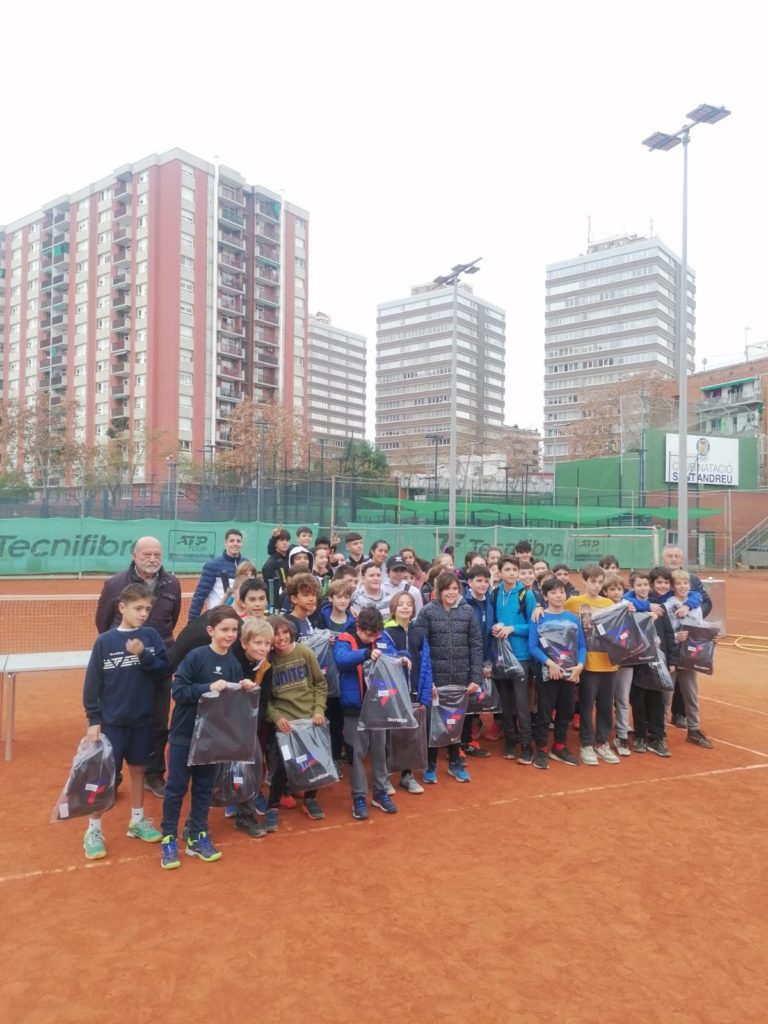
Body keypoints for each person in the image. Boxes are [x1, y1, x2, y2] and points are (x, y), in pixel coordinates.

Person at [159, 606, 258, 869]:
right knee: (177, 787)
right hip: (184, 733)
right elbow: (179, 692)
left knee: (203, 788)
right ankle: (169, 838)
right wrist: (207, 688)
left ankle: (197, 835)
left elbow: (233, 704)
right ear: (210, 630)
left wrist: (245, 688)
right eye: (224, 629)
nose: (229, 635)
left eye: (234, 630)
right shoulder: (195, 657)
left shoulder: (234, 664)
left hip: (212, 738)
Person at [81, 583, 169, 860]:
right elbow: (92, 683)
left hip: (141, 720)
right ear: (122, 608)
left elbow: (163, 671)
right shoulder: (105, 642)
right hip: (111, 723)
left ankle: (137, 820)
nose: (143, 613)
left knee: (139, 771)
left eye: (147, 609)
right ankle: (93, 829)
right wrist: (93, 719)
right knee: (104, 777)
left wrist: (142, 653)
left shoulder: (152, 637)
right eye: (138, 608)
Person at [95, 535, 181, 798]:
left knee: (157, 721)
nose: (153, 559)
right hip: (124, 664)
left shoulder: (171, 583)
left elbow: (173, 618)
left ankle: (154, 775)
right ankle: (113, 776)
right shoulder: (116, 584)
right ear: (134, 556)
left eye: (157, 554)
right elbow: (103, 621)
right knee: (116, 719)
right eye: (146, 555)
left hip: (159, 663)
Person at [416, 571, 484, 784]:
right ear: (438, 591)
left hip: (462, 681)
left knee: (457, 723)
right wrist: (429, 682)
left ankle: (455, 763)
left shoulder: (468, 612)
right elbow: (421, 649)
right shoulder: (427, 612)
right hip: (437, 680)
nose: (451, 593)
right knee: (434, 723)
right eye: (447, 589)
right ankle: (431, 765)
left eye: (455, 589)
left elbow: (476, 645)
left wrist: (475, 677)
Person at [264, 616, 329, 831]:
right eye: (275, 634)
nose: (281, 638)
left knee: (314, 762)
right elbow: (264, 700)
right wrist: (277, 717)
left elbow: (320, 683)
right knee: (283, 765)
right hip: (285, 724)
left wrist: (319, 710)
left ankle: (310, 799)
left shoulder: (304, 652)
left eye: (285, 632)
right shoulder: (268, 661)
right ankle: (272, 805)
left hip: (310, 720)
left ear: (291, 632)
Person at [333, 606, 397, 817]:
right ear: (359, 627)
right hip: (354, 708)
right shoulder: (344, 638)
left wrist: (403, 658)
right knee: (357, 753)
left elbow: (392, 654)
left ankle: (380, 793)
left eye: (375, 635)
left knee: (380, 750)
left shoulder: (380, 637)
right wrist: (366, 653)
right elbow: (342, 660)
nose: (372, 639)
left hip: (378, 705)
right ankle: (359, 798)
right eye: (369, 635)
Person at [528, 576, 586, 770]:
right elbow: (533, 646)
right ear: (545, 596)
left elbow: (582, 646)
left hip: (569, 673)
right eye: (553, 592)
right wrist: (550, 664)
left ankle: (559, 747)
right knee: (544, 713)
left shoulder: (572, 618)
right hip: (548, 674)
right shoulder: (539, 617)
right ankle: (542, 750)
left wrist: (579, 666)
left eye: (561, 591)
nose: (558, 595)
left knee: (567, 711)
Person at [565, 565, 620, 766]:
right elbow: (557, 614)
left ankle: (601, 743)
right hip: (587, 664)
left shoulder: (609, 603)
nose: (596, 586)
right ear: (584, 581)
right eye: (593, 581)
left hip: (609, 663)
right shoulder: (573, 602)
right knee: (587, 706)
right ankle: (586, 744)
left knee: (606, 706)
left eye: (599, 582)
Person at [380, 591, 433, 794]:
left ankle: (406, 775)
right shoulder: (385, 632)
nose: (405, 607)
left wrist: (425, 695)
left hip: (413, 692)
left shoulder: (418, 632)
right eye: (400, 604)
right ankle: (384, 776)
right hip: (392, 694)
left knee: (410, 735)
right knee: (388, 736)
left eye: (409, 604)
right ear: (393, 608)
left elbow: (426, 664)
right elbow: (385, 659)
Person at [490, 555, 538, 764]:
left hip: (521, 657)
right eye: (507, 569)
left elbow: (533, 626)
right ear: (500, 572)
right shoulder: (494, 594)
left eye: (514, 570)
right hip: (500, 656)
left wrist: (512, 629)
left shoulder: (526, 595)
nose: (511, 573)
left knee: (521, 703)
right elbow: (492, 621)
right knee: (506, 704)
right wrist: (495, 628)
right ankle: (511, 740)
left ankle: (526, 746)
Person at [666, 570, 714, 749]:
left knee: (691, 694)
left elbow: (699, 629)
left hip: (689, 658)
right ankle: (660, 735)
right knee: (666, 696)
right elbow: (665, 632)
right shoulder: (668, 605)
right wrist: (678, 637)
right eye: (678, 583)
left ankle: (694, 730)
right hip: (672, 657)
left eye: (685, 583)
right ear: (672, 586)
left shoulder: (696, 607)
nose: (683, 586)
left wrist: (711, 636)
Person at [188, 528, 249, 620]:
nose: (235, 544)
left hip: (240, 618)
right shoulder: (212, 566)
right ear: (225, 543)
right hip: (217, 618)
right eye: (232, 541)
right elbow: (199, 596)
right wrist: (191, 621)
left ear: (241, 543)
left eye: (238, 541)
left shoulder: (246, 564)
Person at [261, 528, 292, 608]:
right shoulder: (270, 563)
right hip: (278, 603)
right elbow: (269, 588)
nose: (285, 543)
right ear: (275, 543)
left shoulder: (290, 556)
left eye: (287, 540)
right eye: (281, 540)